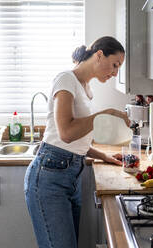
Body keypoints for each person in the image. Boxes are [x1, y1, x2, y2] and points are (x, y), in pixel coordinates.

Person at [24, 36, 130, 248]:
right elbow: (66, 133)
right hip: (48, 177)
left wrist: (104, 156)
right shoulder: (66, 79)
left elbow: (76, 142)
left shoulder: (85, 87)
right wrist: (104, 114)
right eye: (115, 65)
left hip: (71, 176)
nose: (115, 72)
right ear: (99, 55)